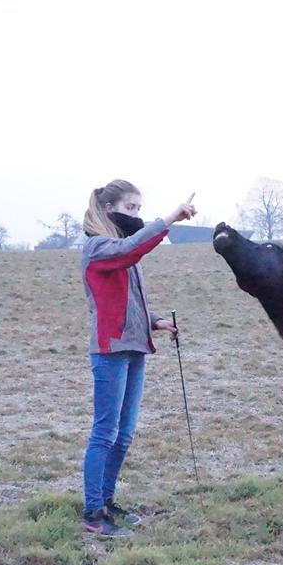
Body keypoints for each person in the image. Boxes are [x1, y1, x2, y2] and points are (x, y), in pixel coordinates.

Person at [80, 180, 196, 537]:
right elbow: (132, 249)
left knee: (124, 433)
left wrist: (154, 320)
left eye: (138, 209)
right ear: (108, 208)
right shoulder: (99, 248)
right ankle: (93, 512)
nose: (136, 215)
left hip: (133, 347)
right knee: (105, 432)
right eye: (130, 208)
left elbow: (126, 301)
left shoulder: (118, 251)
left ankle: (107, 499)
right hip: (110, 350)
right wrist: (170, 219)